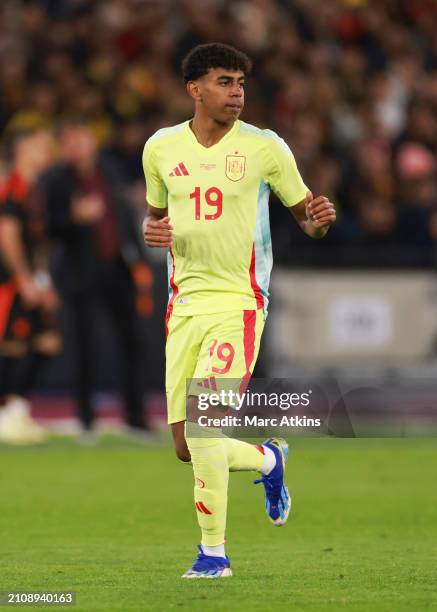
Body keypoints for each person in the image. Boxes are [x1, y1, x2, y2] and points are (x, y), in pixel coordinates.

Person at [142, 43, 336, 578]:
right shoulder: (160, 147)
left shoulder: (265, 147)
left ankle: (213, 554)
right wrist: (150, 230)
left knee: (205, 430)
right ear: (195, 89)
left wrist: (321, 218)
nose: (237, 92)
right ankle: (270, 459)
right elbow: (157, 218)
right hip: (183, 305)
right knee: (187, 447)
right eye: (225, 82)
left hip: (239, 304)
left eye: (241, 83)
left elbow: (308, 219)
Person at [41, 118, 152, 435]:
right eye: (72, 141)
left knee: (133, 342)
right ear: (64, 146)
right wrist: (73, 218)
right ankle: (87, 420)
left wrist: (138, 261)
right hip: (81, 274)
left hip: (119, 268)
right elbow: (48, 228)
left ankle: (136, 418)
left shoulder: (109, 170)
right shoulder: (56, 181)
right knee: (85, 347)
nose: (78, 146)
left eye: (83, 139)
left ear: (92, 141)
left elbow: (124, 220)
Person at [0, 126, 60, 444]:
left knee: (47, 343)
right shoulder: (14, 187)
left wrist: (43, 282)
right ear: (23, 151)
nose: (46, 151)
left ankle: (17, 410)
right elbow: (7, 234)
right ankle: (7, 413)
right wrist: (23, 279)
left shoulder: (36, 190)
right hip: (10, 283)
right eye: (39, 145)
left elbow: (39, 244)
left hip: (30, 281)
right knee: (12, 345)